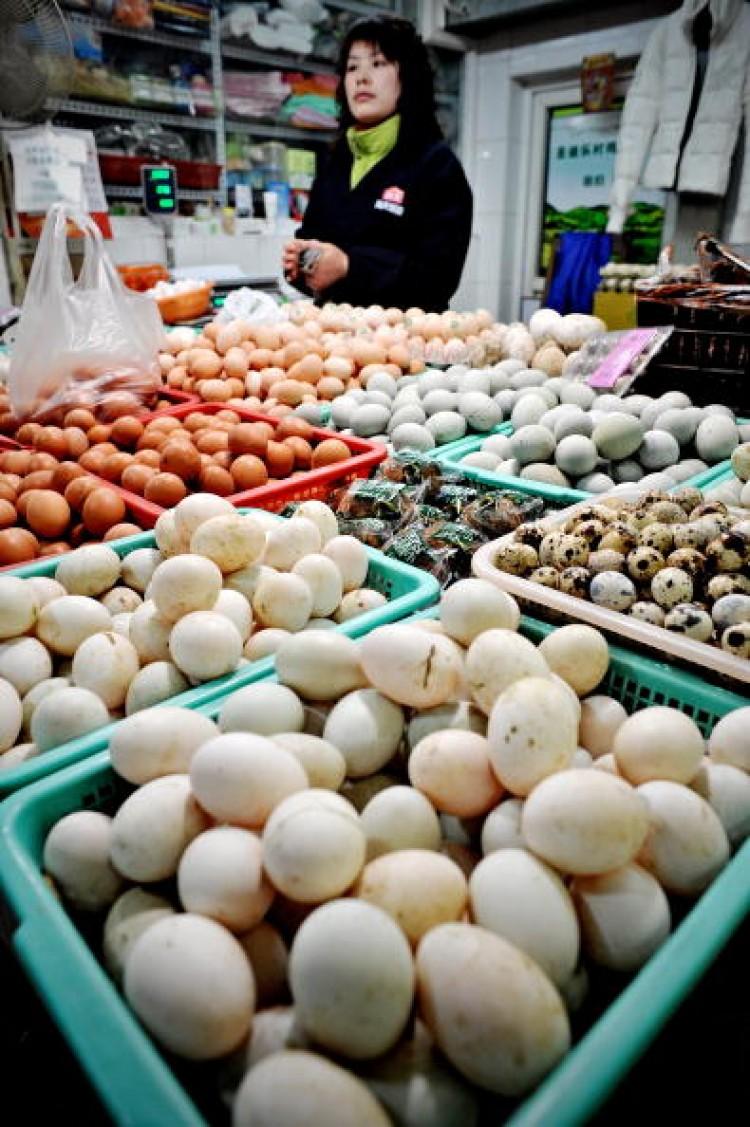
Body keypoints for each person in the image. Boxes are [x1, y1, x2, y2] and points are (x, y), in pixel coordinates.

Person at [282, 16, 473, 311]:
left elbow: (438, 280)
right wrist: (300, 263)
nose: (362, 77)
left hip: (404, 342)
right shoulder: (336, 164)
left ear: (407, 76)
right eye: (352, 67)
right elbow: (311, 249)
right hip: (332, 336)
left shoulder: (437, 166)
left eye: (378, 63)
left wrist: (349, 266)